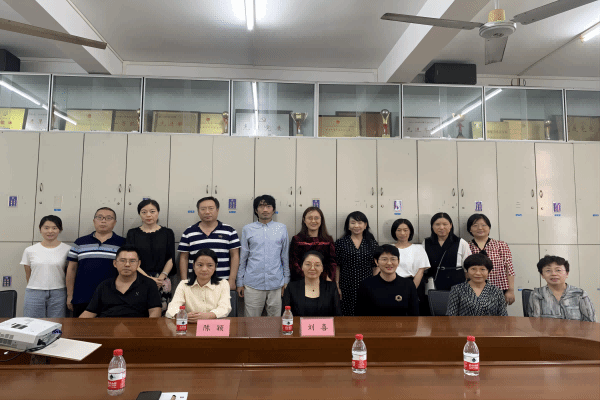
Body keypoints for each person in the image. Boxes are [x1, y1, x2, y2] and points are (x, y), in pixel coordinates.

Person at [236, 195, 290, 317]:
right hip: (252, 284)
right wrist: (239, 282)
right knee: (251, 321)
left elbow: (284, 257)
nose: (265, 209)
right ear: (256, 210)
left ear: (273, 209)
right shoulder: (247, 229)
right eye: (261, 206)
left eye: (268, 206)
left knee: (275, 321)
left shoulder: (281, 228)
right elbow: (243, 257)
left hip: (276, 283)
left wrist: (286, 280)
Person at [66, 207, 125, 317]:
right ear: (94, 221)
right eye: (100, 217)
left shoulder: (123, 243)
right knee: (80, 327)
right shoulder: (80, 242)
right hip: (82, 298)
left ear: (114, 222)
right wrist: (70, 295)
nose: (103, 221)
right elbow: (71, 269)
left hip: (112, 298)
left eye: (108, 218)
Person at [80, 245, 162, 318]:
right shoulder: (104, 285)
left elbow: (155, 311)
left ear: (139, 264)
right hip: (107, 327)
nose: (127, 264)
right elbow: (90, 312)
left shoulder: (149, 284)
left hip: (137, 328)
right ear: (115, 263)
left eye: (132, 261)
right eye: (122, 260)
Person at [178, 196, 240, 290]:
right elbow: (184, 258)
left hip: (222, 283)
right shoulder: (189, 232)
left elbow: (235, 256)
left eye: (211, 208)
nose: (207, 212)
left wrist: (232, 279)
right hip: (195, 283)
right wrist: (184, 281)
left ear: (217, 210)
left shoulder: (229, 231)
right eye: (203, 209)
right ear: (198, 212)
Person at [125, 199, 175, 313]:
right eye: (144, 212)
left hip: (162, 280)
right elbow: (131, 259)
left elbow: (170, 258)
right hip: (138, 277)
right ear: (139, 214)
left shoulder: (167, 233)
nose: (148, 215)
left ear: (158, 212)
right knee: (138, 312)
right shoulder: (132, 233)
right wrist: (148, 279)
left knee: (162, 313)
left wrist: (161, 278)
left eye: (152, 211)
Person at [20, 215, 71, 318]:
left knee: (56, 324)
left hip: (58, 292)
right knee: (32, 323)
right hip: (34, 292)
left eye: (54, 228)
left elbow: (69, 273)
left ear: (60, 229)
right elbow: (28, 274)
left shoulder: (68, 249)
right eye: (46, 228)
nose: (50, 231)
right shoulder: (29, 250)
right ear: (40, 229)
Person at [422, 212, 471, 315]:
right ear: (432, 226)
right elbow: (422, 265)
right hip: (434, 283)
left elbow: (468, 268)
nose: (441, 227)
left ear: (451, 225)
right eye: (437, 224)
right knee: (435, 313)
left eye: (445, 224)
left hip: (457, 282)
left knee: (457, 314)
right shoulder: (426, 242)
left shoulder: (461, 242)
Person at [166, 249, 231, 320]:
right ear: (193, 266)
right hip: (190, 323)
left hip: (213, 325)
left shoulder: (223, 284)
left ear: (215, 267)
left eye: (210, 265)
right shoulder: (184, 284)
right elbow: (173, 307)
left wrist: (208, 316)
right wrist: (181, 316)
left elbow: (225, 308)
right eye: (200, 265)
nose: (204, 269)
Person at [335, 211, 379, 316]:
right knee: (347, 314)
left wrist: (374, 283)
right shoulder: (340, 243)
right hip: (346, 285)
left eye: (360, 223)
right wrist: (337, 285)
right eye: (353, 223)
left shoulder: (372, 243)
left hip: (367, 285)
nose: (356, 226)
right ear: (348, 225)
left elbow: (377, 266)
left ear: (365, 225)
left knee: (366, 313)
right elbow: (337, 266)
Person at [527, 255, 596, 322]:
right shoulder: (537, 294)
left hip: (576, 330)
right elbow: (535, 323)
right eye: (548, 270)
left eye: (558, 270)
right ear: (542, 275)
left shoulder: (580, 294)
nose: (553, 274)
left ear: (567, 273)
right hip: (546, 330)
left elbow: (591, 322)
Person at [355, 245, 419, 316]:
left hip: (400, 323)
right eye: (384, 259)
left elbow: (414, 314)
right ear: (376, 261)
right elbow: (360, 315)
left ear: (398, 261)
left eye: (393, 259)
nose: (389, 263)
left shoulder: (408, 284)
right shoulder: (366, 285)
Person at [467, 213, 516, 305]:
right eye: (475, 225)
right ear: (470, 229)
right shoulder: (466, 246)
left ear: (489, 228)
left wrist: (510, 290)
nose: (480, 228)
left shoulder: (501, 245)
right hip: (474, 290)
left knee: (498, 314)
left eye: (484, 225)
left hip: (498, 289)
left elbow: (509, 269)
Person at [283, 251, 342, 317]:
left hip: (324, 324)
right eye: (308, 264)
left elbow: (338, 317)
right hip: (298, 324)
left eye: (317, 265)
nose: (312, 268)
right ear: (302, 267)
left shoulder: (331, 287)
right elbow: (285, 316)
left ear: (322, 268)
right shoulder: (291, 288)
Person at [289, 207, 336, 282]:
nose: (313, 221)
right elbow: (294, 263)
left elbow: (332, 263)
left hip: (324, 281)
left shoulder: (328, 240)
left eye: (316, 218)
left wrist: (325, 277)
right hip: (302, 282)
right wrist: (309, 277)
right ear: (304, 220)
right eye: (310, 218)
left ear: (321, 220)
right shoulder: (297, 240)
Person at [382, 218, 430, 288]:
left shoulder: (418, 248)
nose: (402, 233)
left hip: (413, 283)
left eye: (405, 230)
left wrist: (411, 290)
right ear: (394, 232)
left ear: (410, 231)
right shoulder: (388, 248)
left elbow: (420, 272)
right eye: (399, 230)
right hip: (391, 284)